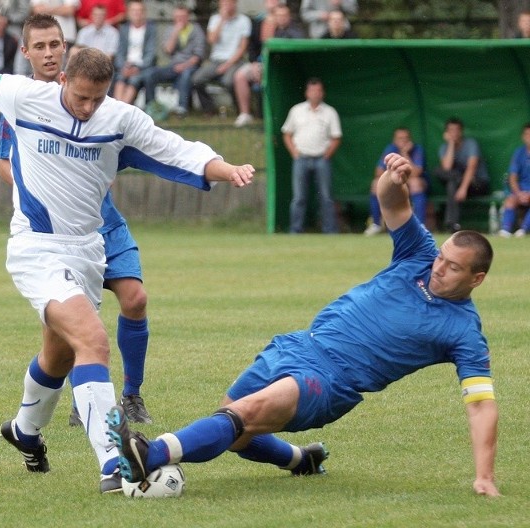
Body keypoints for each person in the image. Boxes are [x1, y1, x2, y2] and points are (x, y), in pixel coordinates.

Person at [0, 47, 255, 494]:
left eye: (97, 99)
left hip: (89, 252)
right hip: (36, 248)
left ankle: (24, 430)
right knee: (92, 340)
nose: (88, 108)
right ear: (65, 79)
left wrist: (229, 169)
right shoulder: (26, 96)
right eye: (81, 97)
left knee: (60, 354)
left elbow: (176, 149)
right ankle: (114, 462)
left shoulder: (120, 117)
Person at [106, 152, 500, 499]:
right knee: (236, 432)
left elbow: (482, 406)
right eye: (442, 257)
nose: (439, 268)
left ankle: (147, 454)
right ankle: (301, 460)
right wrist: (392, 177)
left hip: (331, 381)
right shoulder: (419, 254)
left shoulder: (463, 331)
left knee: (243, 413)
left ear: (476, 278)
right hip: (298, 345)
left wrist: (484, 475)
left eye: (453, 267)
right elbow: (392, 204)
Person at [0, 13, 154, 428]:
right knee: (73, 331)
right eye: (41, 46)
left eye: (55, 44)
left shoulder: (94, 93)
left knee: (135, 299)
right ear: (26, 52)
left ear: (66, 48)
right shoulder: (17, 99)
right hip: (51, 233)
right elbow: (3, 164)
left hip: (102, 222)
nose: (49, 53)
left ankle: (132, 395)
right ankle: (83, 399)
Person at [282, 77, 342, 234]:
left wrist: (327, 155)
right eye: (312, 90)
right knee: (299, 198)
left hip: (321, 159)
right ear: (307, 93)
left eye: (318, 91)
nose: (315, 93)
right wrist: (294, 152)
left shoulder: (330, 112)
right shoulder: (296, 110)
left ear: (322, 93)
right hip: (301, 158)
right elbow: (287, 133)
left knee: (326, 197)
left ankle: (330, 231)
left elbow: (336, 137)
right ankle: (295, 231)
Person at [142, 4, 205, 119]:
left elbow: (198, 56)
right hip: (173, 66)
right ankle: (151, 106)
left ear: (188, 17)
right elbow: (168, 50)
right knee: (149, 74)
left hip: (190, 66)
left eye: (183, 16)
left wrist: (184, 65)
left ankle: (182, 109)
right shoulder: (170, 29)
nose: (180, 19)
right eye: (177, 17)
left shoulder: (196, 30)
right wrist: (175, 33)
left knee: (185, 75)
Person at [191, 0, 251, 116]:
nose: (226, 6)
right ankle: (209, 109)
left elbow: (242, 48)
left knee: (228, 81)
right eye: (223, 4)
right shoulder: (215, 19)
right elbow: (211, 40)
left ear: (235, 4)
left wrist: (227, 65)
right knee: (196, 79)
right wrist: (222, 21)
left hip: (235, 61)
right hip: (216, 60)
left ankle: (239, 110)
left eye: (228, 3)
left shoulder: (244, 20)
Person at [365, 127, 426, 235]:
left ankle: (420, 226)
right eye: (400, 138)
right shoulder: (390, 149)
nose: (404, 141)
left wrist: (404, 153)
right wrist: (393, 176)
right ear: (394, 140)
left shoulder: (417, 149)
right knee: (375, 184)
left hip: (414, 182)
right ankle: (376, 224)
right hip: (397, 180)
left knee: (416, 183)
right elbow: (378, 172)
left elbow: (416, 173)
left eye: (406, 138)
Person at [434, 117, 489, 233]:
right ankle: (453, 225)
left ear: (461, 131)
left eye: (456, 130)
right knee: (440, 172)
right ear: (446, 133)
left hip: (477, 183)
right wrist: (451, 144)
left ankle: (451, 224)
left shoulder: (471, 144)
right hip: (457, 183)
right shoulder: (445, 147)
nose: (454, 133)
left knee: (452, 183)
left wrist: (463, 188)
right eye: (451, 130)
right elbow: (447, 168)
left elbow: (471, 168)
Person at [232, 0, 278, 128]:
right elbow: (252, 46)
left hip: (278, 64)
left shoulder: (284, 20)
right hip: (259, 62)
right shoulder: (258, 21)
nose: (272, 3)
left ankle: (273, 115)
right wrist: (253, 63)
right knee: (240, 76)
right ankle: (245, 114)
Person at [112, 0, 157, 104]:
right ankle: (117, 108)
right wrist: (123, 66)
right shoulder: (124, 29)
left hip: (142, 67)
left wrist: (137, 67)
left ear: (144, 13)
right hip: (125, 66)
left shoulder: (150, 29)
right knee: (120, 78)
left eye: (139, 10)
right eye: (134, 10)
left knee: (134, 80)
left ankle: (123, 110)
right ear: (129, 13)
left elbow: (151, 53)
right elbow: (120, 52)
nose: (137, 13)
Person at [498, 123, 530, 238]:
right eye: (527, 134)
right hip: (521, 191)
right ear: (523, 136)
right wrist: (519, 193)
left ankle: (523, 230)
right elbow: (512, 177)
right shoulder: (518, 153)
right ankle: (505, 230)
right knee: (510, 200)